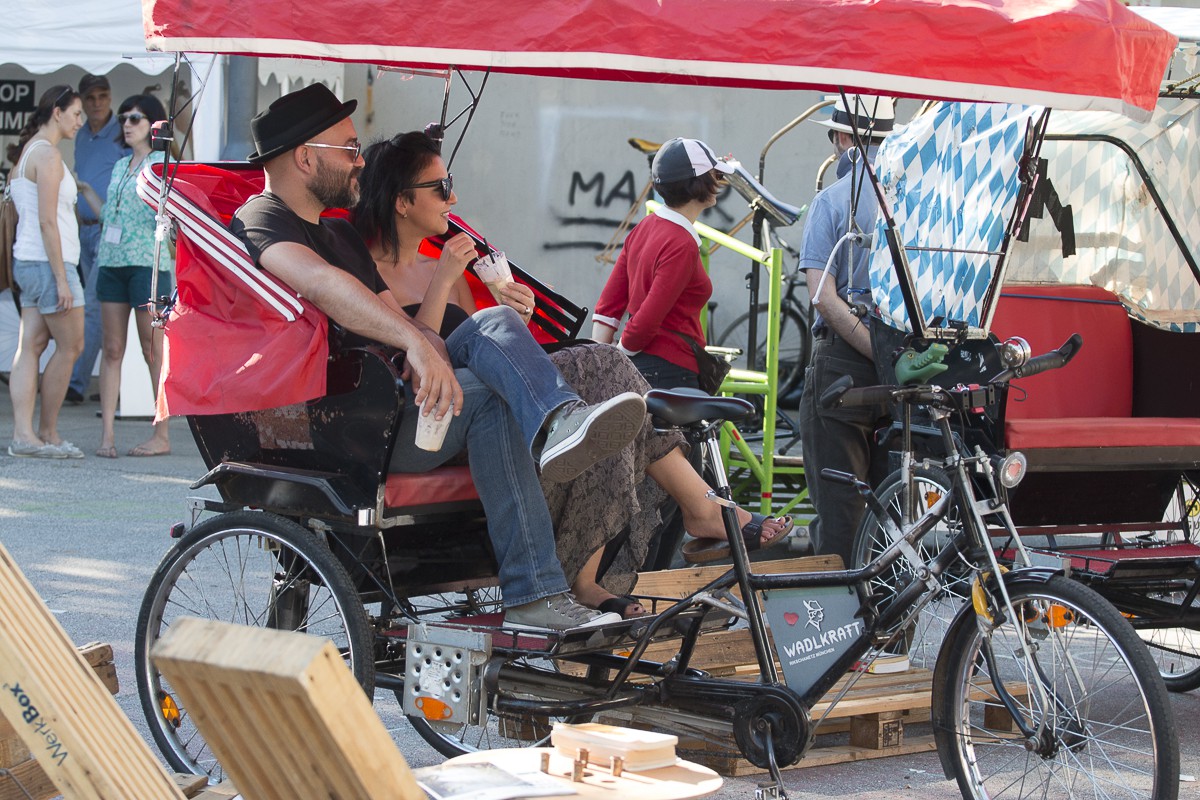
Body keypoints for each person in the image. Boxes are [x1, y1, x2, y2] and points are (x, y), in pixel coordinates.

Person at [228, 83, 645, 632]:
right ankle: (554, 435)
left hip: (403, 401)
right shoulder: (261, 219)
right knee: (490, 369)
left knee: (493, 328)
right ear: (306, 158)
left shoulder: (338, 233)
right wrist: (418, 345)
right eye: (350, 150)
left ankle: (538, 563)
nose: (360, 163)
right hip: (350, 422)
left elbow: (395, 317)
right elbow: (324, 286)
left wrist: (421, 342)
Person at [354, 131, 793, 617]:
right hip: (427, 413)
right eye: (440, 187)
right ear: (400, 201)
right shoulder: (370, 272)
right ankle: (698, 507)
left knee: (609, 374)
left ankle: (597, 559)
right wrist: (447, 284)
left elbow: (485, 351)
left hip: (485, 401)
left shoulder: (446, 266)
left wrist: (514, 320)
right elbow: (424, 352)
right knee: (518, 335)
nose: (453, 198)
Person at [797, 95, 899, 567]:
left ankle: (843, 638)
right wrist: (893, 356)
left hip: (843, 365)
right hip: (906, 366)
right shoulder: (915, 200)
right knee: (898, 511)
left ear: (842, 138)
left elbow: (822, 297)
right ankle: (900, 632)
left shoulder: (831, 201)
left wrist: (872, 349)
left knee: (841, 517)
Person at [591, 137, 732, 391]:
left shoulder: (644, 226)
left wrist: (604, 361)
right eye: (716, 175)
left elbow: (609, 303)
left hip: (644, 368)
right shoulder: (682, 243)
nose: (719, 183)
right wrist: (620, 355)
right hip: (671, 373)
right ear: (698, 183)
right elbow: (647, 319)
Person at [78, 94, 174, 458]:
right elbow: (110, 217)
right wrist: (86, 192)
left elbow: (174, 215)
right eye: (124, 118)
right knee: (113, 348)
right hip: (112, 261)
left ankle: (161, 434)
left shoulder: (163, 164)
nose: (127, 124)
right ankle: (107, 436)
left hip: (148, 264)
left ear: (153, 124)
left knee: (153, 351)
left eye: (135, 118)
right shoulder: (120, 166)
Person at [6, 85, 86, 459]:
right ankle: (48, 432)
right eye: (75, 113)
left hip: (28, 261)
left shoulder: (27, 153)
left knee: (31, 346)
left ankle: (24, 435)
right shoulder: (49, 155)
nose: (80, 121)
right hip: (49, 263)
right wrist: (60, 278)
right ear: (57, 112)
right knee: (71, 346)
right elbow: (47, 222)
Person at [66, 74, 125, 406]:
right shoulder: (80, 135)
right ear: (83, 101)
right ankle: (101, 382)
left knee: (91, 307)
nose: (98, 103)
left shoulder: (121, 133)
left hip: (110, 230)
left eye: (104, 96)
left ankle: (76, 382)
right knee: (93, 308)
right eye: (91, 98)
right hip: (84, 227)